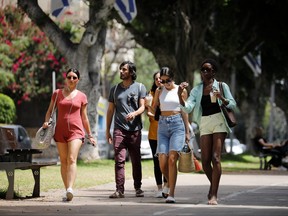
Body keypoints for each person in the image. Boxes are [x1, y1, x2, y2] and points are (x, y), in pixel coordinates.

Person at [178, 58, 237, 205]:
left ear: (213, 72)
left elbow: (233, 104)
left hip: (219, 121)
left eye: (207, 69)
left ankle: (214, 195)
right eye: (202, 69)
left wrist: (221, 98)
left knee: (215, 158)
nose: (204, 72)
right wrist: (180, 95)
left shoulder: (222, 86)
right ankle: (213, 186)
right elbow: (187, 108)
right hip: (204, 122)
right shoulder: (197, 89)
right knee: (205, 162)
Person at [43, 68, 96, 201]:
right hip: (60, 131)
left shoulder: (82, 96)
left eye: (74, 77)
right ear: (66, 78)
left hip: (76, 131)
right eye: (69, 77)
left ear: (78, 80)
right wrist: (46, 122)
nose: (71, 79)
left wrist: (90, 135)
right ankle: (67, 189)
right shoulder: (57, 94)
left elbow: (84, 118)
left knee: (71, 159)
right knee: (63, 160)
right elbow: (50, 111)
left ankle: (70, 188)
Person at [106, 60, 147, 198]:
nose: (121, 72)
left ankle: (138, 187)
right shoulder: (115, 89)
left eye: (124, 69)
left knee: (136, 160)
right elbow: (110, 110)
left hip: (135, 130)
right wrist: (107, 130)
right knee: (119, 160)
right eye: (121, 69)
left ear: (131, 72)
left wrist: (134, 114)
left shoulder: (140, 87)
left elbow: (142, 107)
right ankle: (119, 190)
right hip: (119, 130)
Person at [152, 67, 190, 203]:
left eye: (168, 80)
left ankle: (171, 194)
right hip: (162, 125)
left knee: (172, 159)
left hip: (177, 124)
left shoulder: (181, 90)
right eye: (162, 81)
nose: (166, 83)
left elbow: (185, 111)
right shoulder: (159, 90)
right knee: (162, 160)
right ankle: (168, 182)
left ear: (173, 78)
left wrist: (187, 131)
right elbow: (154, 107)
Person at [145, 71, 167, 198]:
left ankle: (166, 186)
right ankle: (159, 188)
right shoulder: (150, 94)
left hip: (167, 132)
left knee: (166, 160)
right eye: (156, 79)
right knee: (157, 161)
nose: (159, 80)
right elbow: (150, 114)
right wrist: (149, 109)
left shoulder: (169, 93)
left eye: (161, 78)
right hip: (154, 134)